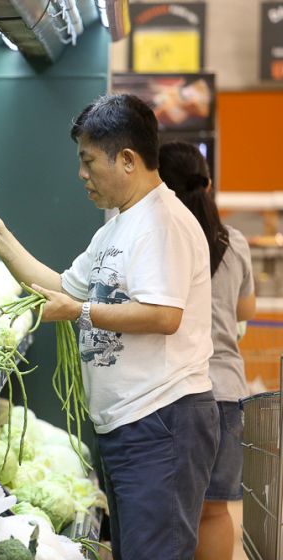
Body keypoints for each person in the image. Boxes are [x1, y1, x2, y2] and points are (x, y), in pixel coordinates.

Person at [0, 94, 219, 560]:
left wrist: (79, 313)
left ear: (127, 159)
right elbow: (63, 285)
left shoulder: (163, 223)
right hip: (127, 425)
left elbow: (164, 315)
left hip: (161, 422)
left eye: (88, 160)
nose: (81, 174)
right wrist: (0, 238)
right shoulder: (115, 229)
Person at [159, 141, 256, 560]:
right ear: (209, 184)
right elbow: (245, 308)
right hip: (227, 390)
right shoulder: (233, 242)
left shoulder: (161, 240)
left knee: (170, 511)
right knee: (215, 512)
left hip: (174, 391)